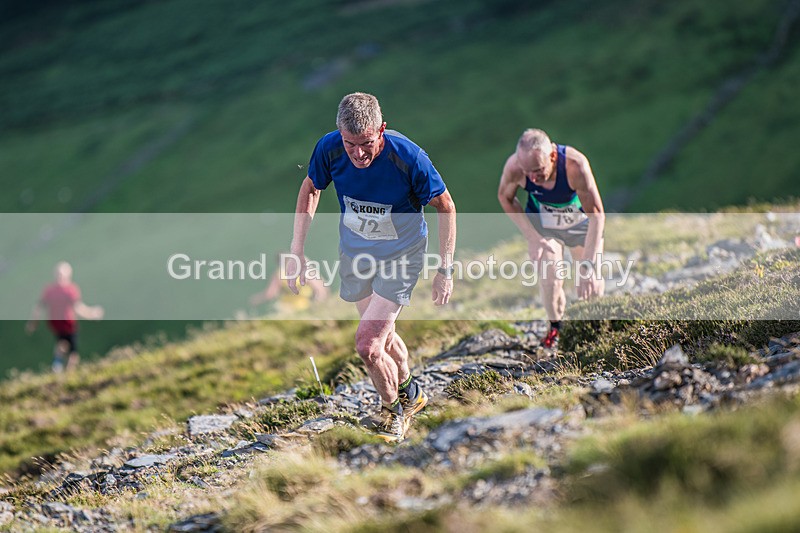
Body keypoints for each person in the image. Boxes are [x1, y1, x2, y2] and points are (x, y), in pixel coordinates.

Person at [287, 92, 456, 442]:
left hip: (402, 256)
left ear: (382, 129)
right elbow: (311, 189)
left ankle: (393, 412)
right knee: (384, 335)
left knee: (368, 345)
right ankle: (412, 391)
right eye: (351, 145)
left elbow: (447, 207)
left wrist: (445, 269)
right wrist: (297, 251)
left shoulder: (409, 157)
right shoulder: (329, 148)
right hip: (356, 255)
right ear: (340, 134)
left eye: (366, 143)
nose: (359, 154)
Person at [497, 129, 605, 348]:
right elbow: (505, 197)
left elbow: (597, 215)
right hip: (543, 226)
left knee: (589, 286)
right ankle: (556, 328)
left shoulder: (575, 166)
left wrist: (589, 266)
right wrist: (533, 237)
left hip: (580, 224)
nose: (533, 178)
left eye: (538, 170)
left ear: (553, 156)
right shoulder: (515, 168)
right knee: (550, 278)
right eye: (528, 173)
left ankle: (595, 328)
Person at [26, 261, 104, 372]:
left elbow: (39, 307)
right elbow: (78, 308)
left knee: (61, 343)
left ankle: (57, 364)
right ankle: (67, 374)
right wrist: (92, 314)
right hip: (68, 324)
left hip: (55, 323)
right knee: (73, 353)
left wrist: (33, 323)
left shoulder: (49, 290)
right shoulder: (70, 290)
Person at [249, 254, 329, 313]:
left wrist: (257, 299)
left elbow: (270, 294)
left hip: (285, 307)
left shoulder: (279, 274)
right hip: (304, 305)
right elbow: (321, 289)